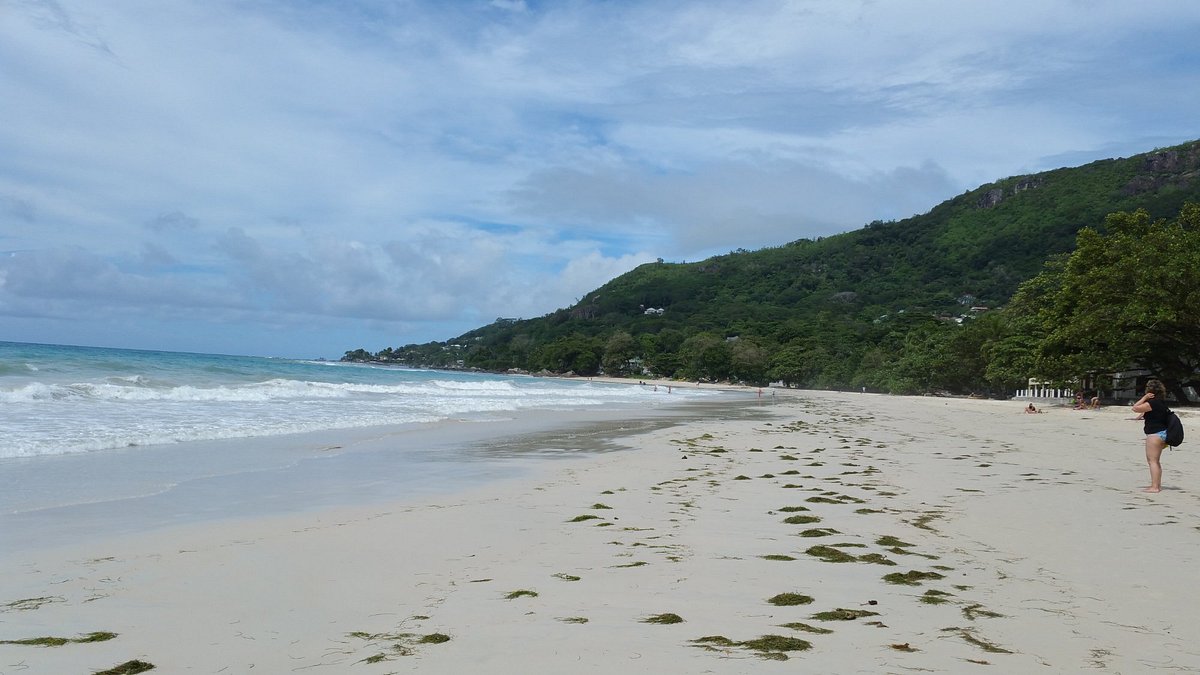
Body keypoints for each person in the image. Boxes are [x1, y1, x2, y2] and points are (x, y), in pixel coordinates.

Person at [1131, 379, 1171, 493]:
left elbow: (1135, 408)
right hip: (1163, 433)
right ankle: (1156, 485)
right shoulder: (1162, 402)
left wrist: (1144, 398)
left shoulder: (1151, 403)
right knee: (1156, 461)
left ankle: (1155, 487)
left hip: (1155, 435)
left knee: (1152, 461)